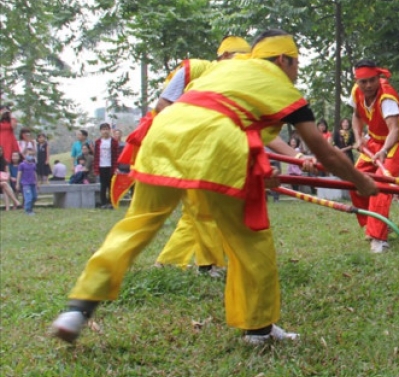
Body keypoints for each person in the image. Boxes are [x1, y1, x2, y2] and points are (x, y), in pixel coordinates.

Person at [50, 29, 378, 345]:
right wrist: (362, 182)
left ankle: (78, 308)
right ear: (283, 60)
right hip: (215, 148)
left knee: (136, 226)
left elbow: (230, 114)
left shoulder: (228, 71)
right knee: (249, 239)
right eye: (296, 64)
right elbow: (324, 150)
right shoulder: (283, 88)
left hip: (163, 134)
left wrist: (281, 160)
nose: (296, 72)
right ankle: (258, 330)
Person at [153, 36, 252, 273]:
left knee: (197, 207)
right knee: (207, 202)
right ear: (225, 56)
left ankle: (169, 262)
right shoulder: (195, 70)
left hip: (209, 150)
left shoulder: (231, 83)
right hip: (184, 146)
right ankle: (208, 265)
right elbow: (162, 106)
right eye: (240, 59)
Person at [348, 59, 399, 253]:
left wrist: (384, 150)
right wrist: (358, 137)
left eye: (372, 80)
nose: (368, 85)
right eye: (363, 82)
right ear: (357, 81)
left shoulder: (387, 97)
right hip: (373, 142)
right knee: (355, 180)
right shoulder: (357, 92)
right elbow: (356, 115)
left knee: (380, 183)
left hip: (395, 143)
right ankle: (374, 225)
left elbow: (394, 129)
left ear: (378, 78)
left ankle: (379, 238)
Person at [93, 123, 120, 209]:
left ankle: (111, 202)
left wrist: (116, 167)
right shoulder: (98, 142)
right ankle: (103, 203)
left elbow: (116, 155)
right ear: (100, 131)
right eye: (103, 129)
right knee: (103, 185)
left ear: (109, 130)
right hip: (101, 166)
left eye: (106, 129)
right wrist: (96, 168)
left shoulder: (114, 142)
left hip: (111, 166)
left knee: (111, 185)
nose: (105, 131)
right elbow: (96, 156)